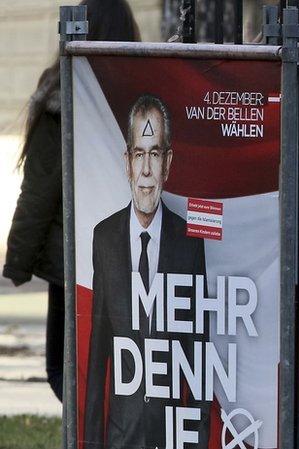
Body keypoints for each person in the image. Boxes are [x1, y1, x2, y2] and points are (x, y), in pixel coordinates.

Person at [3, 0, 140, 403]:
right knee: (114, 374)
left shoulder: (59, 95)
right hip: (127, 256)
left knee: (63, 370)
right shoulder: (139, 94)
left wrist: (19, 259)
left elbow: (41, 189)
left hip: (73, 259)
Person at [84, 95, 209, 448]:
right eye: (139, 154)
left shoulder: (189, 241)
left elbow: (197, 352)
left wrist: (196, 442)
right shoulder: (104, 238)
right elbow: (97, 356)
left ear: (167, 163)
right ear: (127, 162)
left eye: (155, 154)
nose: (146, 172)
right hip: (120, 437)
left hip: (171, 436)